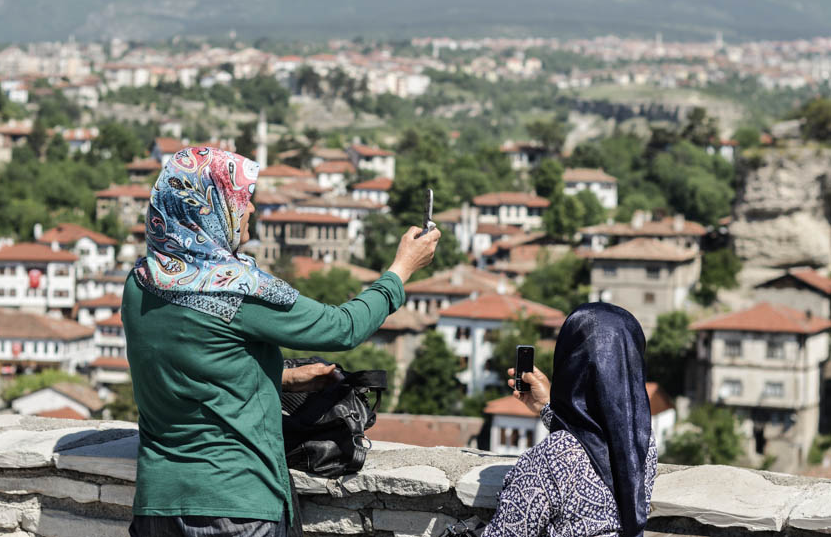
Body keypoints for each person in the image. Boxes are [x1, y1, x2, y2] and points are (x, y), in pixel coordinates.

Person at [122, 147, 440, 537]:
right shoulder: (236, 291)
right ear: (208, 208)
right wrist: (401, 270)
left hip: (158, 505)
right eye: (242, 200)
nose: (252, 210)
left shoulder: (140, 283)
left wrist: (283, 379)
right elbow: (342, 328)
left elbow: (193, 365)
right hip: (235, 504)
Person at [483, 302, 657, 537]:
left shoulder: (551, 459)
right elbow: (596, 444)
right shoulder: (643, 444)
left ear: (569, 363)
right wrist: (547, 408)